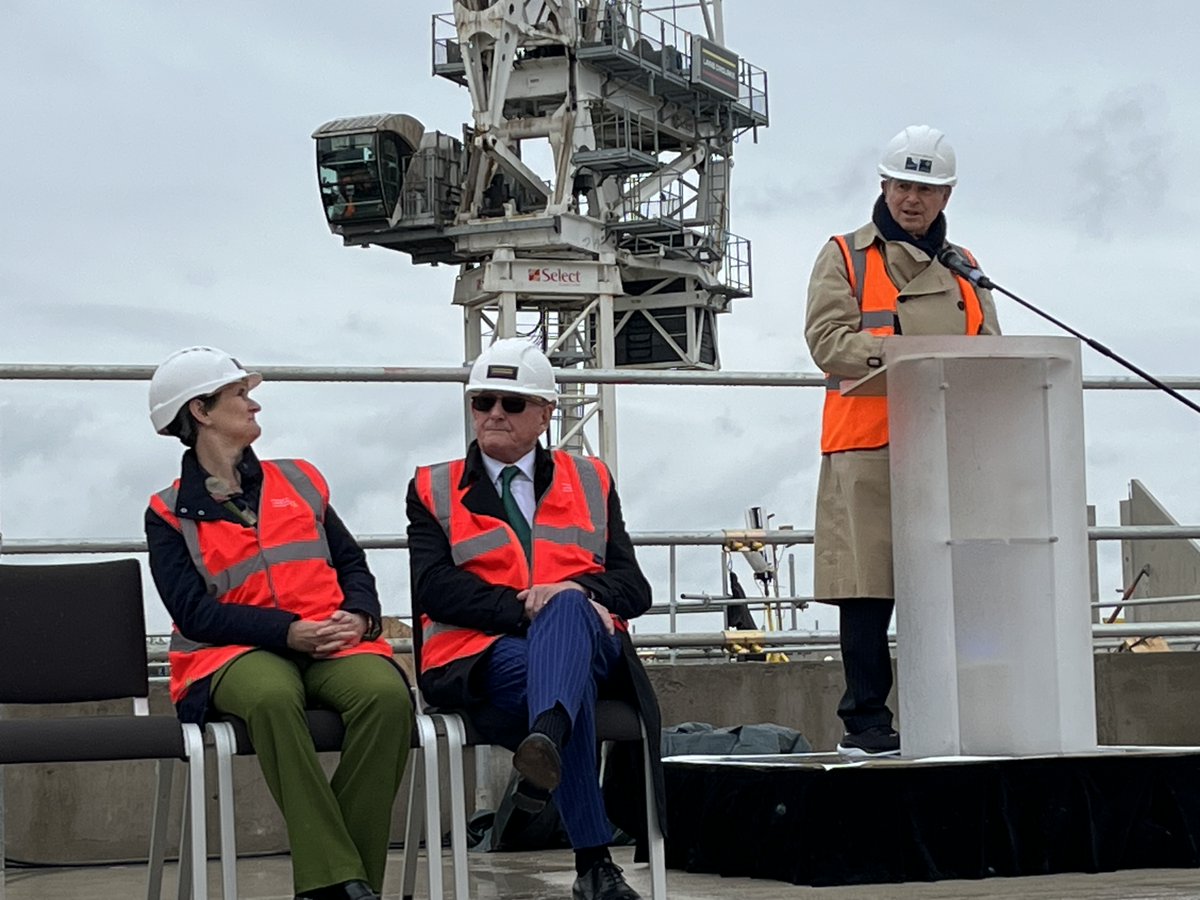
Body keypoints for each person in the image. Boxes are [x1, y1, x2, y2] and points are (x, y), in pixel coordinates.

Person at [144, 346, 412, 900]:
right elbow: (193, 612)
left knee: (387, 698)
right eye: (240, 394)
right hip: (228, 654)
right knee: (269, 697)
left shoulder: (301, 481)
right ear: (200, 411)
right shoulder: (168, 511)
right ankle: (341, 879)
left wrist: (360, 616)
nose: (254, 404)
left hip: (331, 641)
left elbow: (352, 562)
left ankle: (333, 881)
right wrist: (286, 632)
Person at [406, 337, 664, 900]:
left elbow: (634, 587)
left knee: (568, 607)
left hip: (588, 648)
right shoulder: (432, 487)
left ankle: (545, 743)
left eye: (513, 403)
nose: (494, 413)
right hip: (480, 658)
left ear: (546, 414)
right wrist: (529, 607)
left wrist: (569, 592)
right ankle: (593, 864)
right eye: (483, 401)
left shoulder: (592, 479)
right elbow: (435, 589)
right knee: (559, 679)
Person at [804, 126, 1001, 758]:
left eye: (927, 189)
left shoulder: (966, 266)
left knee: (947, 584)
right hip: (865, 444)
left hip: (946, 446)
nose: (912, 199)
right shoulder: (844, 254)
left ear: (946, 197)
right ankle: (867, 723)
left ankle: (954, 711)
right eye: (903, 185)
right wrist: (907, 355)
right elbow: (827, 341)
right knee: (866, 591)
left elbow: (992, 348)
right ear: (884, 185)